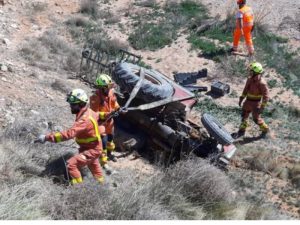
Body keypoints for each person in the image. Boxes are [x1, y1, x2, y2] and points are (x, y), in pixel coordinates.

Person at [35, 89, 104, 184]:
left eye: (73, 104)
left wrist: (46, 137)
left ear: (81, 104)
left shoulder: (84, 120)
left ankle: (78, 189)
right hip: (90, 147)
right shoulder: (88, 111)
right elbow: (98, 115)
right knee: (94, 167)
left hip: (92, 149)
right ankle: (101, 185)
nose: (71, 106)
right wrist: (109, 114)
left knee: (71, 164)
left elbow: (69, 134)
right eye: (71, 104)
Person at [90, 74, 124, 168]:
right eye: (107, 87)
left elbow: (114, 102)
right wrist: (107, 114)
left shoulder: (111, 92)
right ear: (101, 87)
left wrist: (118, 108)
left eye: (110, 86)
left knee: (110, 140)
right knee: (103, 144)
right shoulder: (95, 97)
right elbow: (94, 114)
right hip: (100, 124)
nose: (109, 88)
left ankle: (110, 154)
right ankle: (104, 163)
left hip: (110, 123)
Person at [233, 62, 269, 139]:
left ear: (256, 72)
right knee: (244, 115)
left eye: (251, 71)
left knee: (256, 119)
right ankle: (242, 130)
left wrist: (262, 107)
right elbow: (245, 89)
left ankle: (265, 130)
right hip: (247, 102)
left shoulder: (262, 83)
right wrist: (241, 98)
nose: (250, 72)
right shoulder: (249, 79)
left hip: (256, 104)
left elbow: (266, 97)